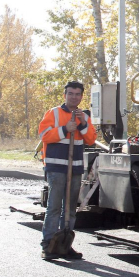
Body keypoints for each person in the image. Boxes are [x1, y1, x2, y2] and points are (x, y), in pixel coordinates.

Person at [38, 81, 97, 260]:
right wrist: (65, 129)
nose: (74, 97)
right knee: (54, 207)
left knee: (70, 208)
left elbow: (91, 139)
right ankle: (48, 245)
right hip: (56, 167)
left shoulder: (84, 116)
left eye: (77, 94)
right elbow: (44, 135)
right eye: (70, 93)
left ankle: (65, 244)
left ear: (81, 96)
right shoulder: (54, 113)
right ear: (65, 95)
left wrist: (81, 124)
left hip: (75, 167)